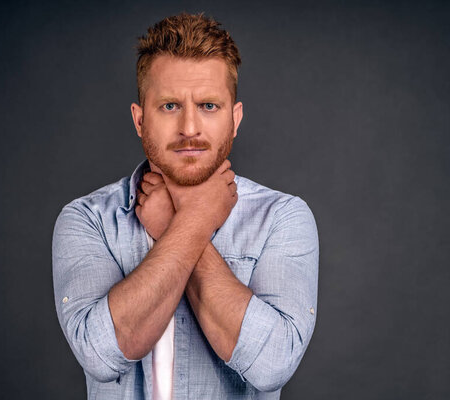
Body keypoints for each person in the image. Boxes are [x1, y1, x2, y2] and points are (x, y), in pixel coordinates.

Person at [52, 13, 319, 399]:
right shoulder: (87, 220)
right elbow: (101, 353)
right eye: (170, 106)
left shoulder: (282, 218)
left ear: (235, 119)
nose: (190, 128)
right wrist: (194, 221)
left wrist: (172, 226)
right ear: (140, 120)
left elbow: (272, 363)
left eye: (209, 106)